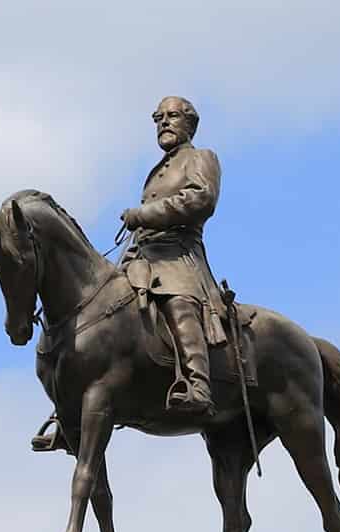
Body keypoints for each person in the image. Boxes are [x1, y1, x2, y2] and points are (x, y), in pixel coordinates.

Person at [119, 95, 223, 419]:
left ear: (189, 123)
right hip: (142, 256)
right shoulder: (155, 172)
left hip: (178, 255)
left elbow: (201, 199)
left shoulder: (201, 157)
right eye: (158, 117)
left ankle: (199, 384)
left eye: (172, 115)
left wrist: (144, 214)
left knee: (177, 302)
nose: (163, 122)